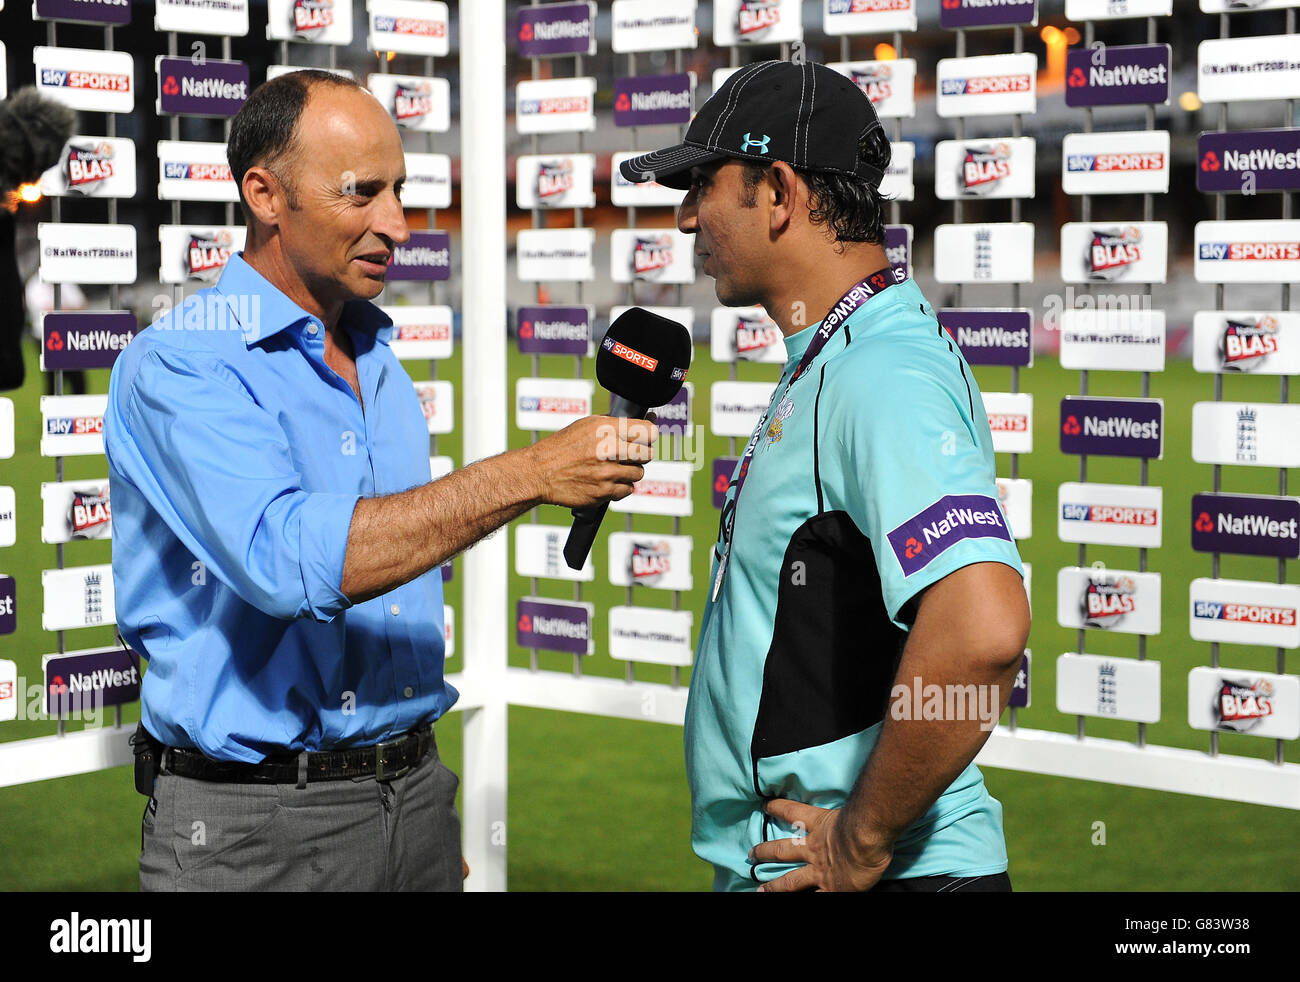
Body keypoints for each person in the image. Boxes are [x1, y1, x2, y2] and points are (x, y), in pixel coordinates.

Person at [106, 70, 655, 892]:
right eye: (362, 193)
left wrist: (411, 812)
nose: (396, 224)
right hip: (253, 831)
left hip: (413, 796)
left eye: (400, 191)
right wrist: (533, 472)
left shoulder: (380, 361)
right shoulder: (182, 362)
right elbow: (289, 564)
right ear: (265, 193)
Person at [621, 60, 1030, 893]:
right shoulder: (845, 353)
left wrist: (863, 839)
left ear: (778, 192)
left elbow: (985, 631)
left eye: (703, 182)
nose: (687, 214)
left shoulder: (878, 372)